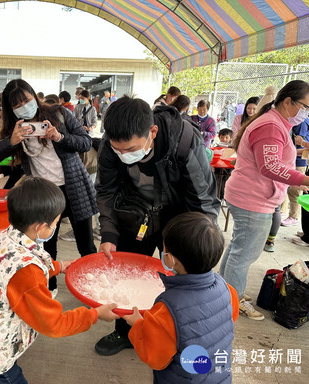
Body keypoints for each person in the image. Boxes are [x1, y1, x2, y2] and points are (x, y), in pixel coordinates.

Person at [0, 177, 118, 383]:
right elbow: (53, 323)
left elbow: (19, 269)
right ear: (40, 227)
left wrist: (59, 266)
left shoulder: (3, 237)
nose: (55, 227)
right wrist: (94, 315)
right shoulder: (27, 272)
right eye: (55, 223)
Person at [95, 96, 219, 356]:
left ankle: (169, 331)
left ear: (152, 132)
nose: (123, 156)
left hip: (176, 218)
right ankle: (125, 331)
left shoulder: (184, 140)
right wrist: (108, 231)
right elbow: (105, 190)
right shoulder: (111, 145)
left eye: (130, 149)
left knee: (175, 279)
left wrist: (197, 243)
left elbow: (203, 199)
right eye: (118, 151)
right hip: (133, 214)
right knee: (127, 274)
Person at [0, 79, 97, 294]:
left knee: (86, 244)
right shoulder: (14, 129)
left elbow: (86, 141)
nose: (24, 106)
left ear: (34, 96)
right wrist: (12, 141)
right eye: (17, 105)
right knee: (46, 246)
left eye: (26, 99)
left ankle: (92, 284)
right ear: (10, 109)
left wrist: (59, 136)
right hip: (45, 195)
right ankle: (49, 288)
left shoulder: (59, 113)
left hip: (74, 187)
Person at [221, 80, 309, 321]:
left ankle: (225, 292)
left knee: (238, 249)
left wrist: (294, 180)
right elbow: (270, 166)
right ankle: (232, 300)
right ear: (288, 101)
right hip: (253, 200)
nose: (306, 113)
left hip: (251, 196)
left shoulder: (276, 122)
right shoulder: (271, 125)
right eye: (305, 106)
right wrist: (305, 179)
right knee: (243, 254)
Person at [123, 212, 239, 383]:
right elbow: (226, 321)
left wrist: (139, 324)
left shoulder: (167, 309)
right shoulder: (227, 289)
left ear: (170, 259)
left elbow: (155, 358)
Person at [280, 116, 309, 227]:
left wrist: (302, 144)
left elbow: (298, 141)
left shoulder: (302, 121)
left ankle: (293, 216)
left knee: (296, 191)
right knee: (287, 186)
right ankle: (283, 211)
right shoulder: (292, 121)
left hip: (298, 161)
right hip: (292, 158)